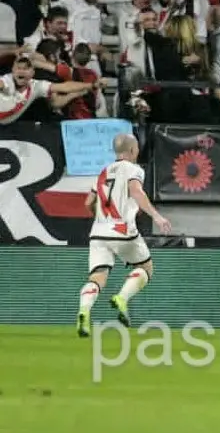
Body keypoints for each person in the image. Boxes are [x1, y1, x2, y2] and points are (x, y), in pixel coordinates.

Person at [76, 134, 172, 337]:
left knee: (98, 276)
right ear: (132, 150)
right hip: (122, 230)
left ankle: (84, 311)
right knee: (146, 267)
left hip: (98, 233)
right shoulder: (134, 169)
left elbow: (87, 203)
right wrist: (156, 216)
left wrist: (102, 219)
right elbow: (136, 191)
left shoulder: (102, 172)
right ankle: (121, 298)